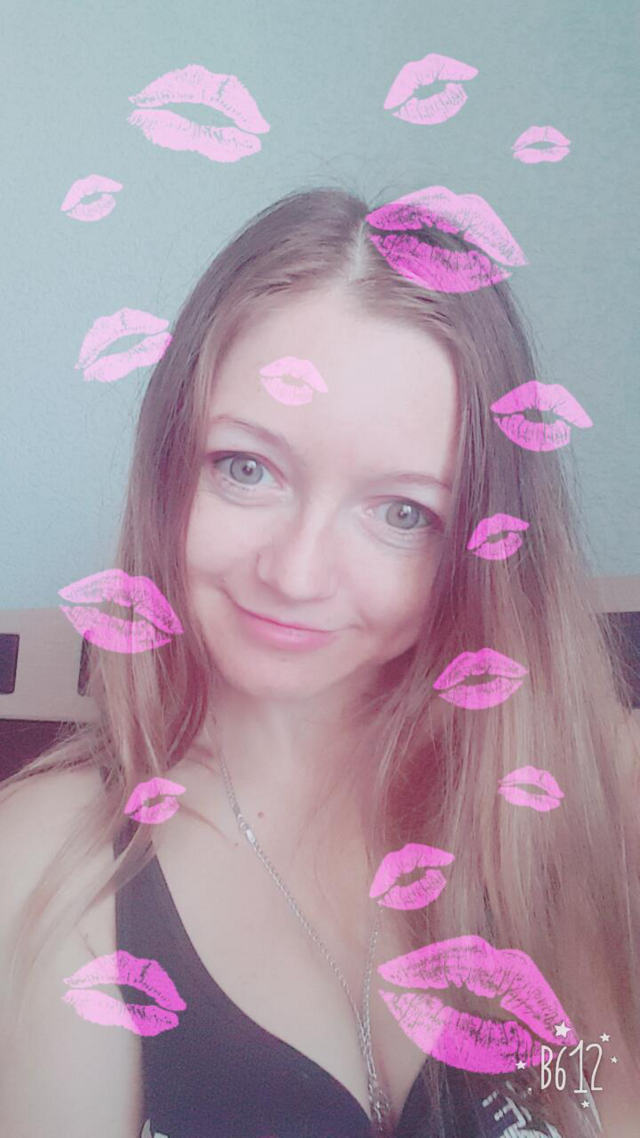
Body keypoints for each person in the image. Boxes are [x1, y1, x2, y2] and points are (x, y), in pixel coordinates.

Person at [1, 186, 638, 1138]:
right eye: (246, 467)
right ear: (171, 463)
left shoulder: (598, 792)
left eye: (403, 513)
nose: (296, 574)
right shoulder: (56, 865)